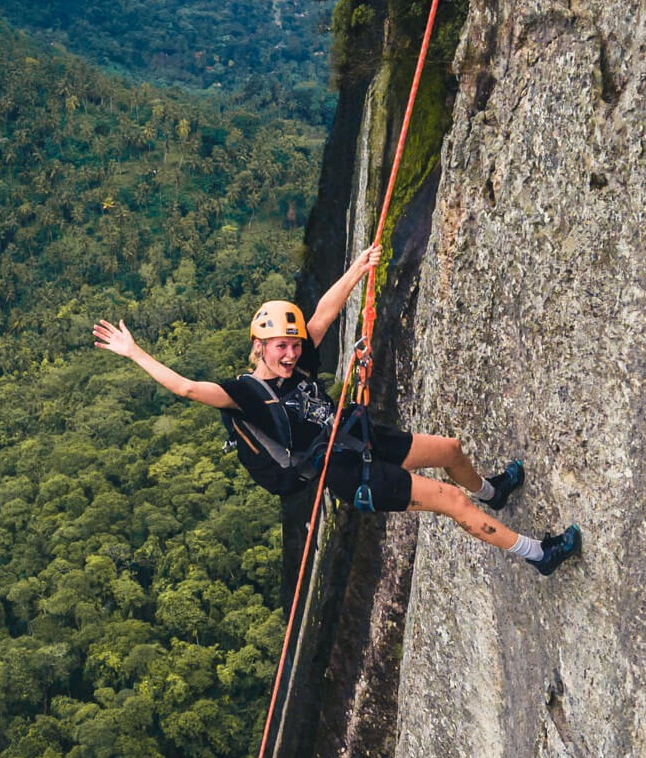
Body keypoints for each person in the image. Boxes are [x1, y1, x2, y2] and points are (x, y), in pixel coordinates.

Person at [92, 244, 581, 576]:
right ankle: (538, 553)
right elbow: (187, 389)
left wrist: (359, 267)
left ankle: (493, 491)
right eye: (279, 347)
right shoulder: (248, 395)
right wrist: (134, 352)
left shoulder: (300, 358)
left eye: (291, 345)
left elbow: (323, 313)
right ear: (259, 347)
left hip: (356, 436)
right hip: (347, 473)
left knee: (450, 449)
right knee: (451, 501)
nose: (289, 353)